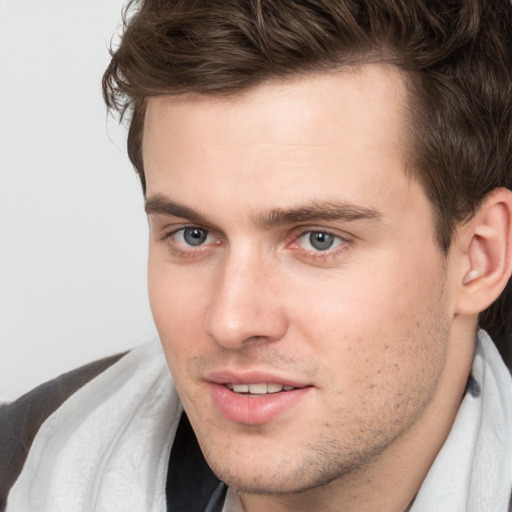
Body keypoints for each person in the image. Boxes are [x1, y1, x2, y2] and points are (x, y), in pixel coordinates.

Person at [2, 0, 512, 510]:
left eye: (318, 239)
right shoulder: (22, 468)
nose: (231, 320)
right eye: (193, 235)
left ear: (479, 258)